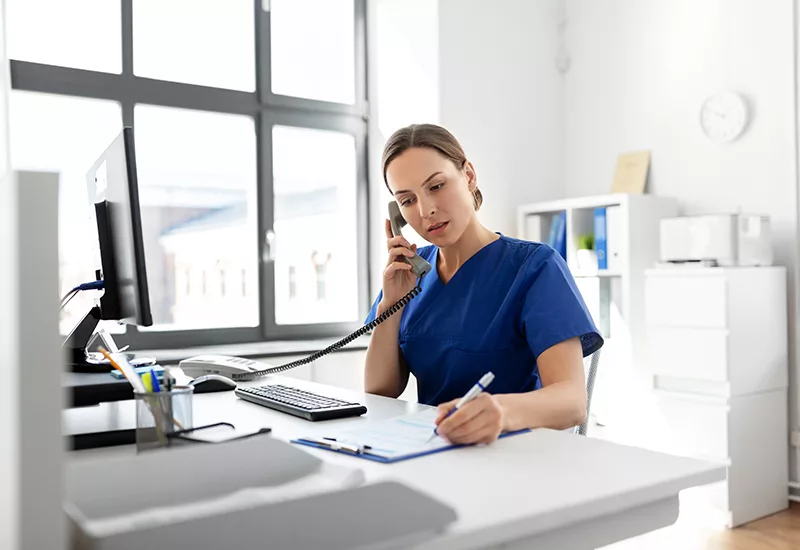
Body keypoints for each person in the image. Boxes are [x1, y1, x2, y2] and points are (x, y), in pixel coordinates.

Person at [363, 123, 603, 446]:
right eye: (407, 201)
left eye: (436, 186)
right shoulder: (410, 278)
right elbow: (380, 392)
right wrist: (391, 305)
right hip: (429, 456)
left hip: (515, 460)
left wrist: (500, 412)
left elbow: (572, 402)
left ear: (469, 176)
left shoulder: (535, 268)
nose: (426, 210)